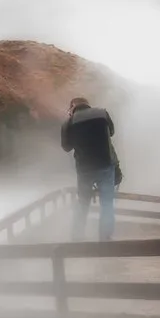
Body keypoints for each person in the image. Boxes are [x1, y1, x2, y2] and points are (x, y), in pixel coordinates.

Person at [60, 97, 121, 241]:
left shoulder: (69, 122)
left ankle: (77, 236)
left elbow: (66, 147)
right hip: (106, 165)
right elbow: (111, 132)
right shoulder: (102, 113)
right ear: (88, 105)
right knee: (107, 202)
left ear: (71, 108)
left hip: (84, 169)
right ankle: (105, 237)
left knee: (83, 202)